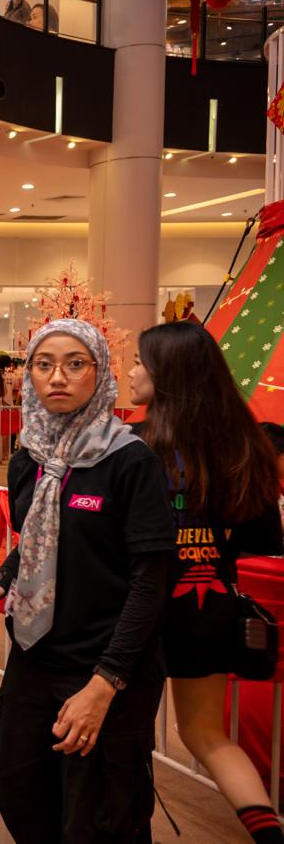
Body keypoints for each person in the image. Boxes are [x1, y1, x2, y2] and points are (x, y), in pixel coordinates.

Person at [0, 319, 174, 844]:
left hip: (103, 667)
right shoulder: (28, 458)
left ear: (100, 373)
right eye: (44, 365)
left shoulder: (129, 460)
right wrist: (1, 579)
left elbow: (151, 580)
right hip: (34, 661)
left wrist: (105, 683)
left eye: (75, 364)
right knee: (21, 795)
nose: (57, 377)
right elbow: (35, 542)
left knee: (97, 821)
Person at [127, 322, 284, 843]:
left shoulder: (131, 447)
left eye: (139, 362)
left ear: (166, 373)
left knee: (124, 733)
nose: (130, 371)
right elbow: (264, 539)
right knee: (206, 734)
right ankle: (267, 832)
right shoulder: (246, 447)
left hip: (136, 614)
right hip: (210, 610)